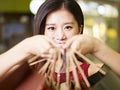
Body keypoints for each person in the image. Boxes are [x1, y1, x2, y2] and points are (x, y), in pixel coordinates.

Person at [0, 0, 120, 87]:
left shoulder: (95, 72)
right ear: (42, 32)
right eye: (51, 28)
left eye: (68, 27)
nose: (60, 36)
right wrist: (24, 47)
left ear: (80, 29)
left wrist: (96, 46)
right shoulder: (26, 72)